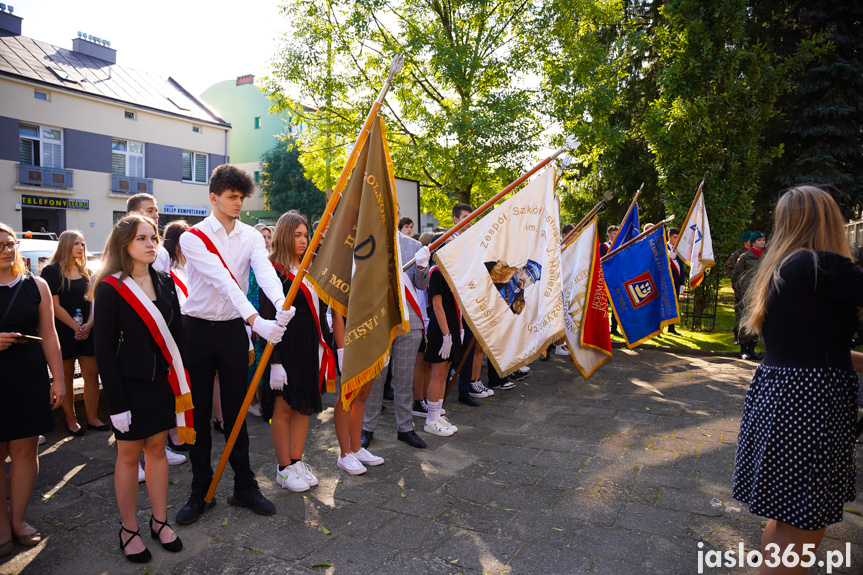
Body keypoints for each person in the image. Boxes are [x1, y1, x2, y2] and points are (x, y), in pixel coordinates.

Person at [732, 186, 863, 574]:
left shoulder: (784, 266)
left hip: (783, 395)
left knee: (786, 519)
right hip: (812, 404)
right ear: (829, 220)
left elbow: (811, 348)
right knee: (804, 525)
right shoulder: (820, 266)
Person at [175, 164, 294, 525]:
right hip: (196, 330)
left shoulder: (251, 236)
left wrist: (281, 306)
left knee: (237, 411)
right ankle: (200, 490)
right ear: (214, 198)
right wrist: (256, 321)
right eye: (232, 197)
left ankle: (244, 486)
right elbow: (224, 283)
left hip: (230, 332)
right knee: (197, 414)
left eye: (242, 197)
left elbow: (266, 274)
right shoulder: (192, 237)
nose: (239, 203)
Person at [92, 214, 190, 563]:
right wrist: (116, 404)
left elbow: (176, 337)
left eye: (154, 238)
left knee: (158, 451)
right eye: (142, 239)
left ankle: (160, 522)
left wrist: (181, 386)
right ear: (124, 246)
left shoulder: (166, 282)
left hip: (161, 386)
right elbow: (102, 351)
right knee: (130, 457)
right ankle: (129, 529)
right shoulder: (109, 288)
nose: (151, 244)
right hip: (129, 388)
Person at [0, 223, 65, 557]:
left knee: (25, 451)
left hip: (28, 375)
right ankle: (0, 525)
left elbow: (50, 335)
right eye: (0, 246)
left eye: (11, 244)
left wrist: (59, 379)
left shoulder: (35, 285)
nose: (7, 250)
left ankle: (19, 519)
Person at [260, 211, 331, 491]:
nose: (303, 240)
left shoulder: (309, 267)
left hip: (308, 344)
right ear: (285, 236)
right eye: (298, 235)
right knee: (284, 406)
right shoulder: (273, 270)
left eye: (306, 235)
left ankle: (297, 459)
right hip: (284, 346)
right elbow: (266, 315)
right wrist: (274, 361)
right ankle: (284, 467)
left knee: (303, 405)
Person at [361, 221, 431, 450]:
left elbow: (421, 286)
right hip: (378, 321)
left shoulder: (413, 245)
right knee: (376, 378)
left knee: (404, 378)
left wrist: (422, 269)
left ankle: (405, 427)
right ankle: (367, 428)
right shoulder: (367, 244)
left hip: (409, 321)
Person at [40, 230, 106, 435]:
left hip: (87, 328)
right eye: (76, 243)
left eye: (83, 244)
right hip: (63, 329)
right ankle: (71, 420)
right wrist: (75, 327)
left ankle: (93, 418)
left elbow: (94, 301)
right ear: (65, 245)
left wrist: (89, 324)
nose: (80, 247)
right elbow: (54, 306)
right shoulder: (51, 271)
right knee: (66, 375)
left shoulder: (87, 270)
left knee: (92, 373)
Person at [331, 310, 385, 474]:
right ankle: (344, 453)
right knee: (347, 397)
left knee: (362, 396)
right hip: (348, 337)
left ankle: (356, 448)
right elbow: (336, 313)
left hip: (370, 337)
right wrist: (341, 350)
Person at [423, 240, 463, 436]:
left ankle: (437, 415)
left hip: (451, 326)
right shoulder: (436, 272)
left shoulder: (450, 271)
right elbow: (437, 306)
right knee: (437, 375)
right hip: (440, 329)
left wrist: (459, 330)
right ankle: (431, 420)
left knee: (445, 373)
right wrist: (447, 335)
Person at [247, 223, 273, 418]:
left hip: (269, 316)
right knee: (253, 362)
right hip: (255, 318)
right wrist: (254, 321)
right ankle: (252, 401)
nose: (265, 241)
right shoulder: (249, 263)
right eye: (262, 237)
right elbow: (249, 294)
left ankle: (264, 400)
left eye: (268, 237)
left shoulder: (271, 261)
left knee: (267, 361)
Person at [733, 231, 765, 360]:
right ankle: (744, 349)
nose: (762, 242)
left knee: (758, 321)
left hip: (761, 293)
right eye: (759, 240)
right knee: (746, 321)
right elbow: (736, 276)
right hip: (747, 294)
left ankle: (752, 348)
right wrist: (739, 293)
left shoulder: (766, 256)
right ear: (752, 242)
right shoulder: (745, 257)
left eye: (763, 240)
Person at [126, 193, 170, 273]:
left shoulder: (162, 252)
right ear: (132, 214)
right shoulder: (120, 247)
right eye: (150, 211)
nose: (156, 216)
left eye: (156, 211)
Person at [725, 231, 751, 345]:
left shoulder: (759, 254)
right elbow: (728, 269)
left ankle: (751, 337)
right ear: (746, 241)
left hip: (754, 288)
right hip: (741, 289)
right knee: (740, 312)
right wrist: (738, 280)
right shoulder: (738, 254)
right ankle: (737, 335)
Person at [600, 225, 620, 336]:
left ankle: (614, 328)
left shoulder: (621, 247)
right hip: (605, 279)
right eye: (614, 233)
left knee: (616, 305)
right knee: (604, 306)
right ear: (609, 234)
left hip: (616, 279)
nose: (615, 235)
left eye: (617, 233)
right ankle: (603, 329)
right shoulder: (603, 247)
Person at [666, 227, 683, 335]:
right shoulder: (663, 248)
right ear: (669, 237)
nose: (676, 240)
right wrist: (667, 256)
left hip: (676, 281)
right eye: (675, 237)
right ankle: (660, 328)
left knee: (674, 304)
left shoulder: (679, 249)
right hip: (666, 281)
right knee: (664, 304)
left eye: (678, 238)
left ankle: (671, 327)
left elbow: (681, 267)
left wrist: (682, 283)